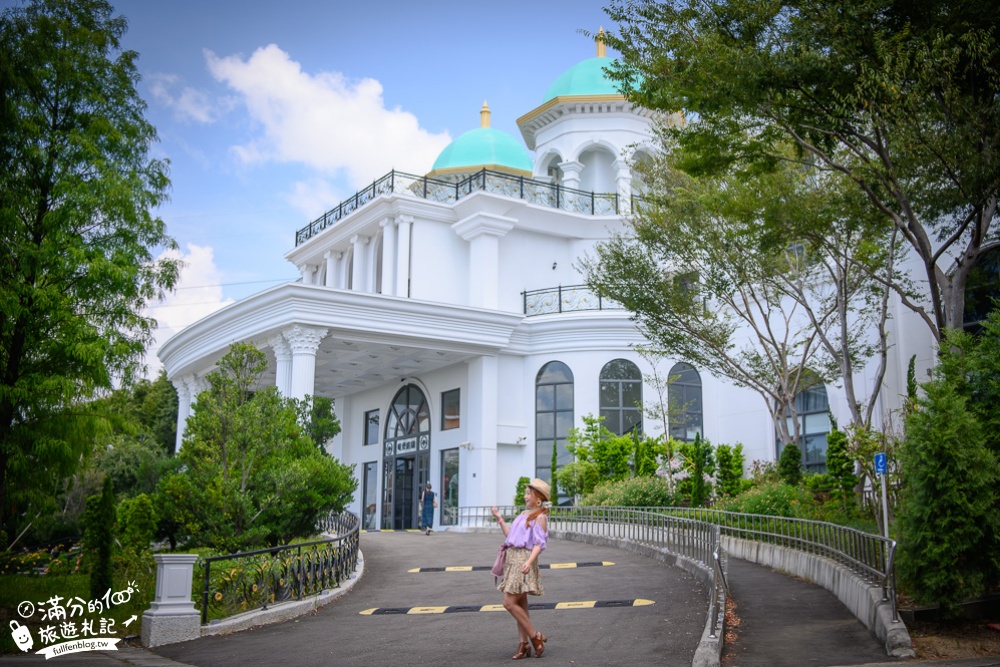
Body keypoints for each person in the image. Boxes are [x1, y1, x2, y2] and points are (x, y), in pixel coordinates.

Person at [491, 478, 551, 659]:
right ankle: (523, 644)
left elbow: (540, 544)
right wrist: (499, 518)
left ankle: (535, 636)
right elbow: (511, 536)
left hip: (523, 561)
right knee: (520, 604)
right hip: (513, 559)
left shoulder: (540, 517)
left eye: (528, 494)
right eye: (525, 493)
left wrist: (529, 561)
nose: (525, 497)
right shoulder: (524, 514)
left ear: (538, 498)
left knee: (508, 602)